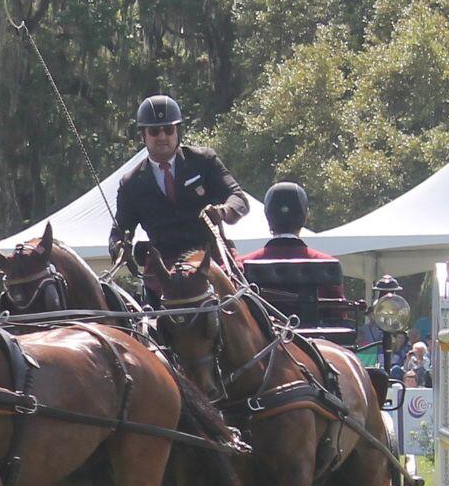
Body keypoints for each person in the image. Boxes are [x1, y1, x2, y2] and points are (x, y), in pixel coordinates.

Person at [110, 94, 249, 306]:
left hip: (209, 259)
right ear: (143, 136)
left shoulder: (204, 161)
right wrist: (120, 247)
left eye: (169, 129)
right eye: (154, 131)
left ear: (178, 131)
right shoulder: (130, 183)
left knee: (249, 311)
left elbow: (239, 198)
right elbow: (117, 232)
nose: (162, 136)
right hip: (163, 273)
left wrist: (222, 211)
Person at [239, 182, 347, 323]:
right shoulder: (328, 263)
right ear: (305, 216)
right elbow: (339, 316)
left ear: (267, 216)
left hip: (260, 344)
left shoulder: (242, 265)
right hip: (315, 341)